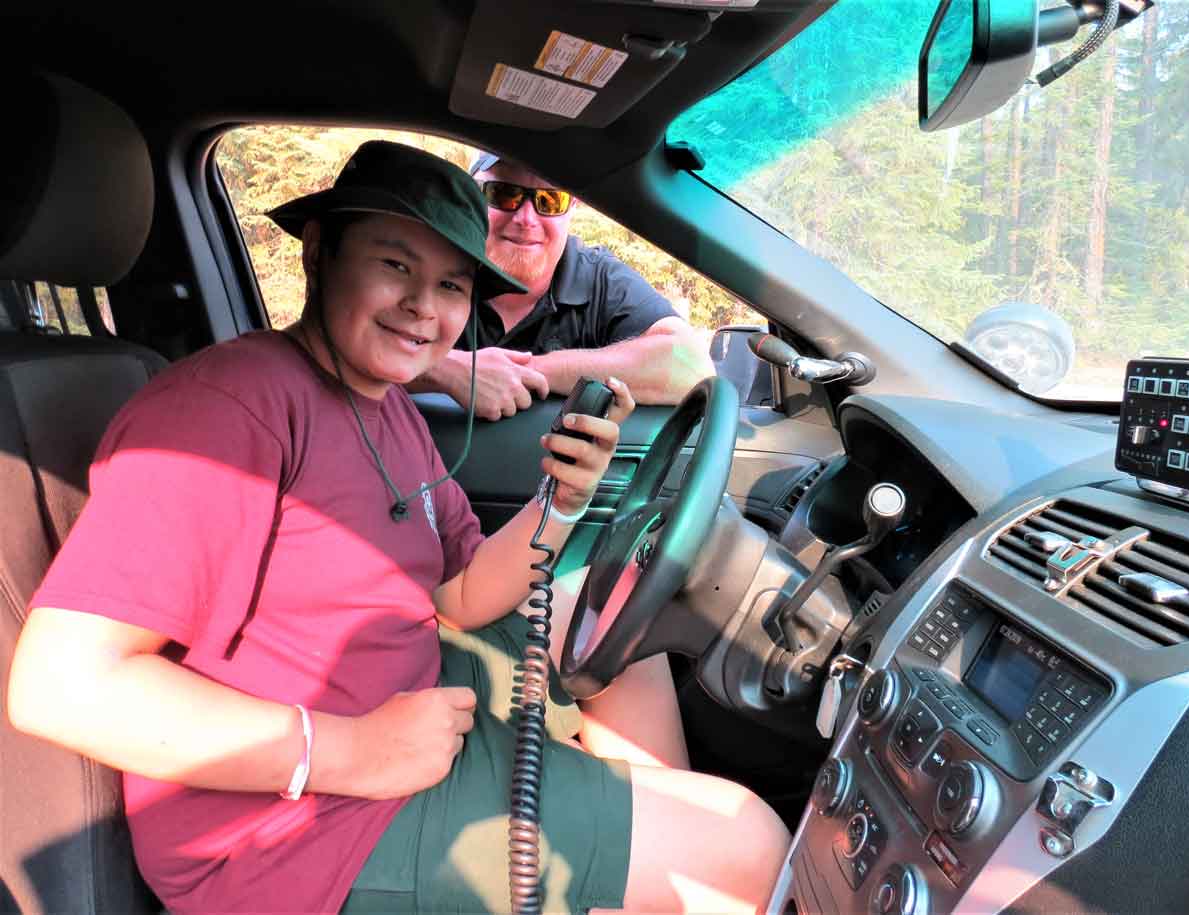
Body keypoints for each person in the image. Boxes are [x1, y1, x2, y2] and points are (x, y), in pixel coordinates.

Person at [7, 141, 789, 915]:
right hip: (291, 831)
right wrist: (353, 751)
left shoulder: (385, 405)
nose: (426, 306)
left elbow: (460, 593)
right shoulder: (226, 408)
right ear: (319, 253)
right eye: (395, 264)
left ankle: (631, 850)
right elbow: (61, 688)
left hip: (409, 703)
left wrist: (562, 499)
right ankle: (651, 854)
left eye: (452, 283)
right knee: (746, 842)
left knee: (616, 622)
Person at [409, 152, 715, 420]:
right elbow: (363, 340)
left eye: (550, 200)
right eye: (504, 193)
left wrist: (524, 373)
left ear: (573, 206)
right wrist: (448, 368)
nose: (526, 218)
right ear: (474, 195)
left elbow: (692, 366)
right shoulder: (434, 264)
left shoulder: (599, 279)